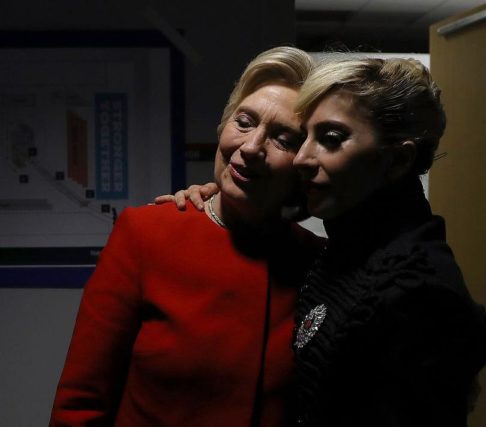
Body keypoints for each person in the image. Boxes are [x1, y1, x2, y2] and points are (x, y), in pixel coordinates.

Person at [166, 57, 486, 427]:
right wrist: (220, 199)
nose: (302, 158)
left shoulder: (412, 290)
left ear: (398, 160)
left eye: (331, 140)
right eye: (304, 138)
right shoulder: (345, 248)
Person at [50, 46, 324, 427]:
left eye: (282, 138)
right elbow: (81, 404)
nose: (250, 148)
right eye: (244, 122)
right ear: (223, 126)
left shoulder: (318, 263)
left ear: (305, 161)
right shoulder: (146, 234)